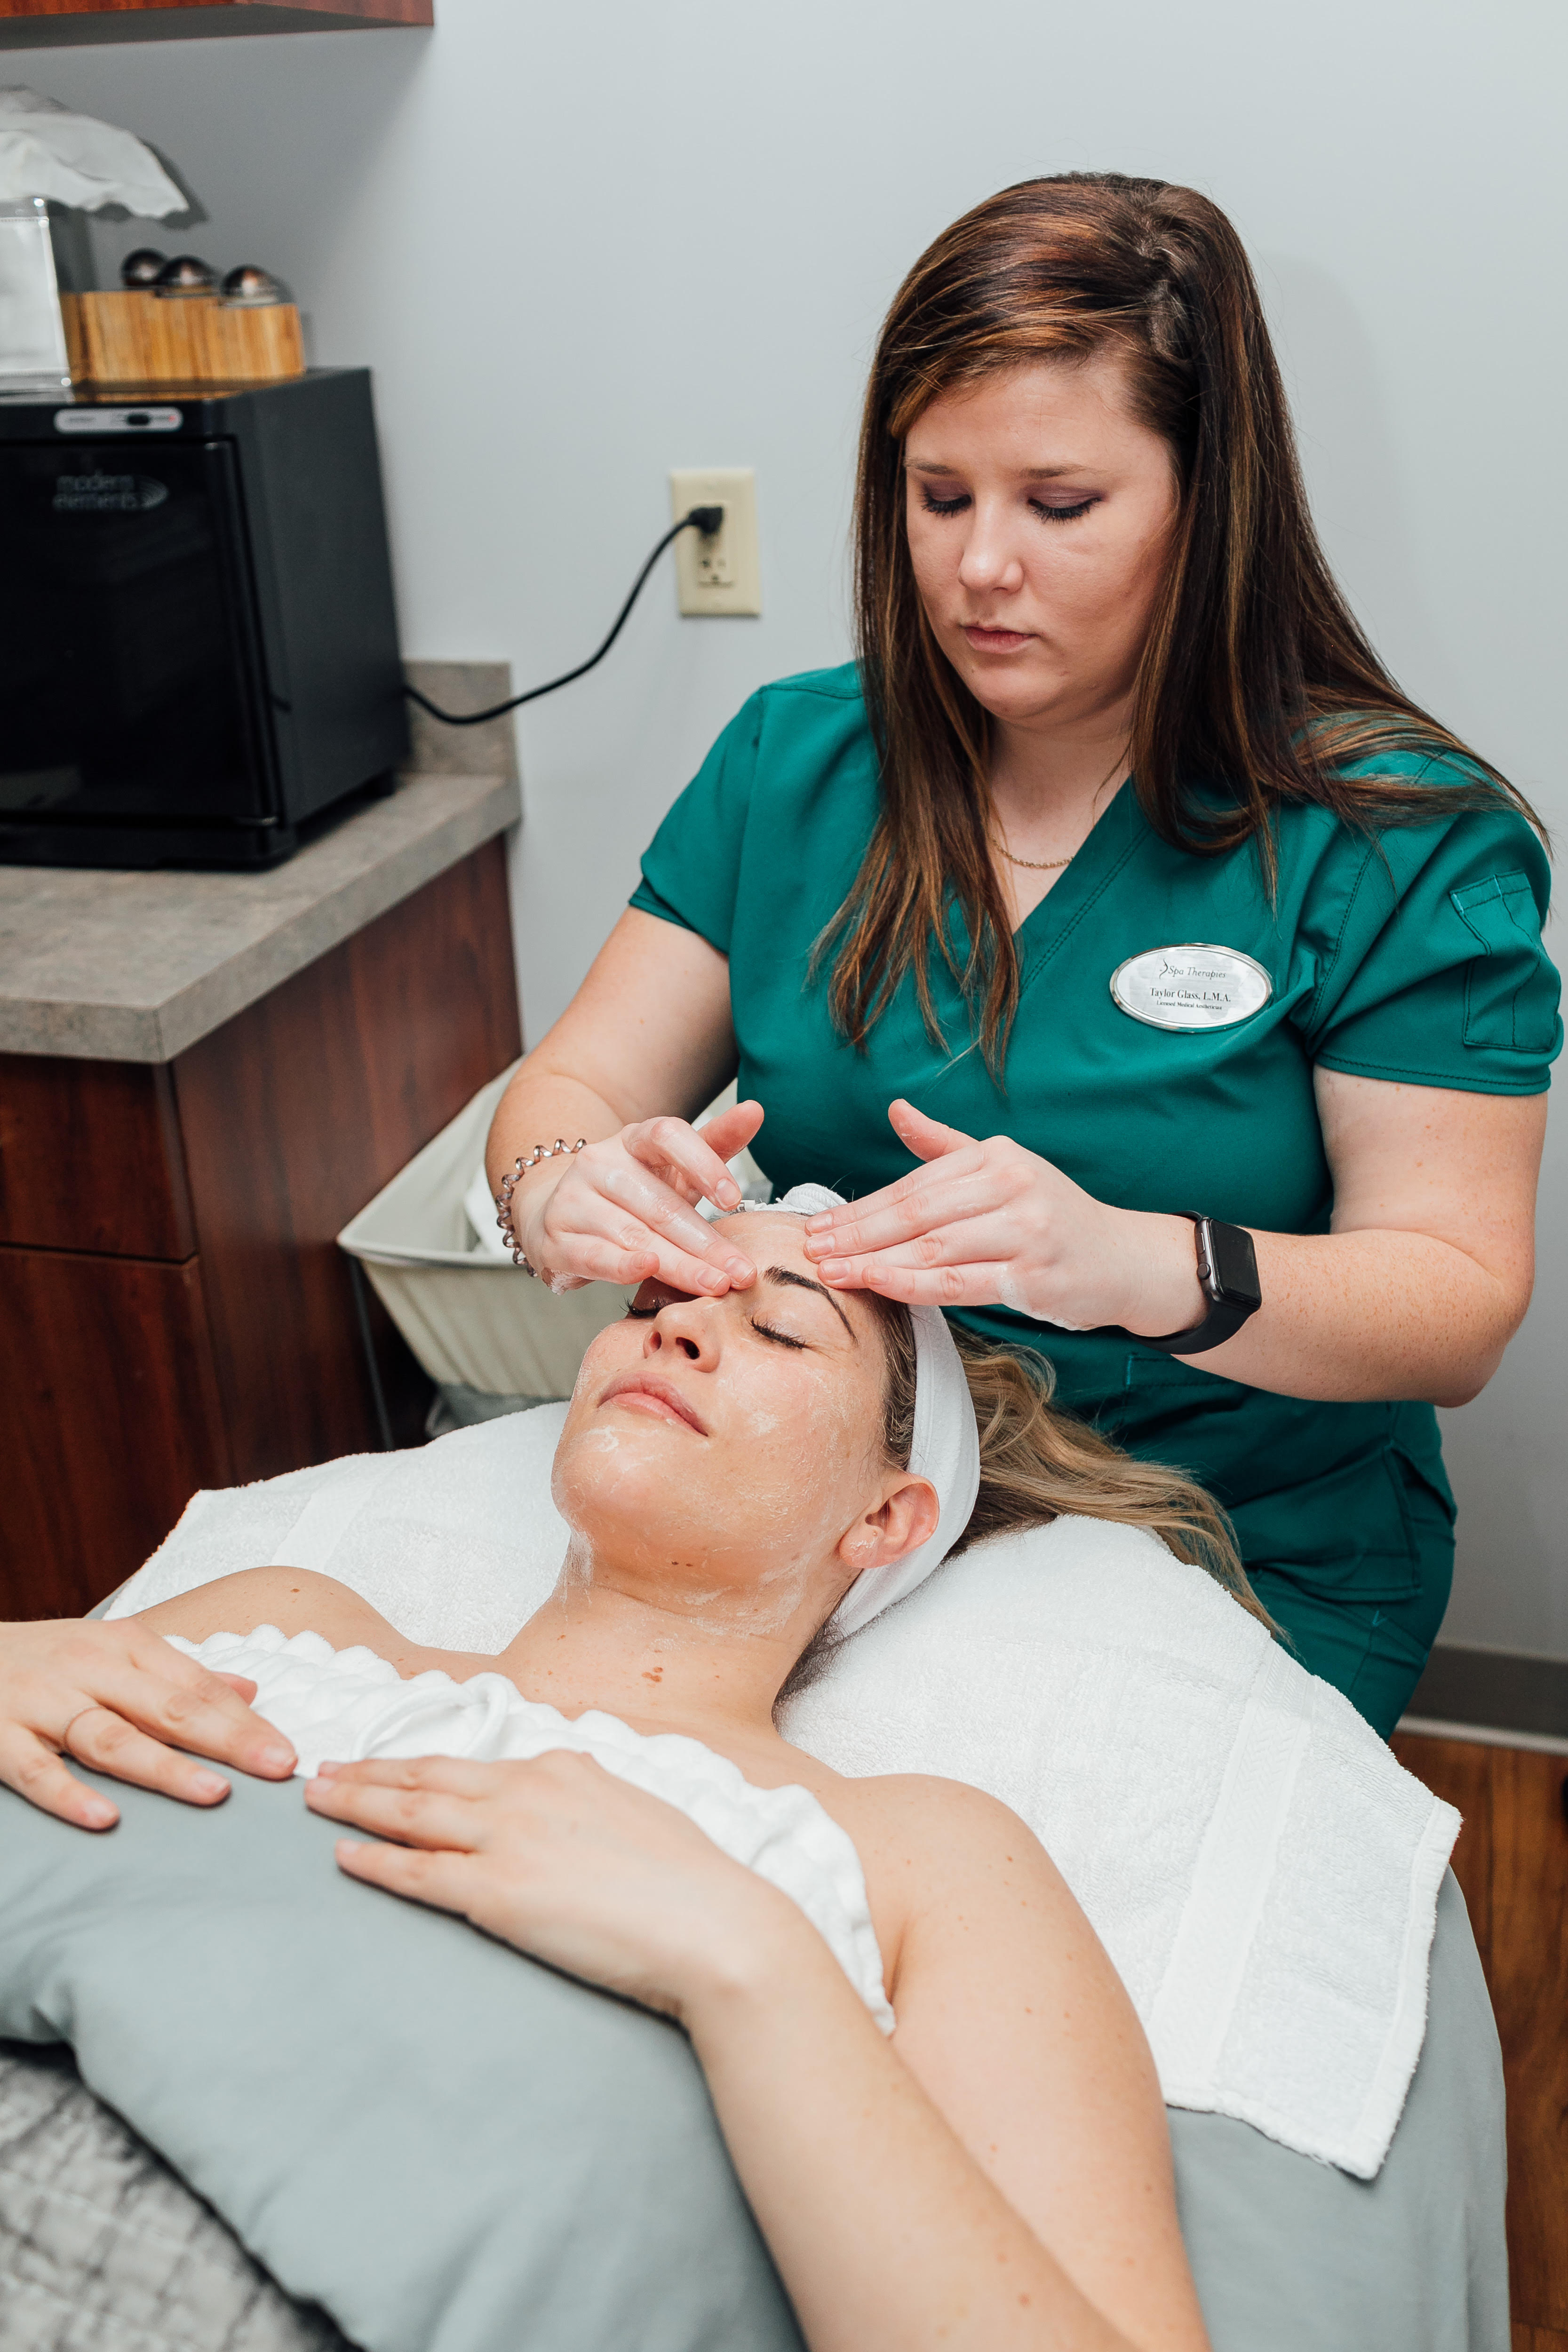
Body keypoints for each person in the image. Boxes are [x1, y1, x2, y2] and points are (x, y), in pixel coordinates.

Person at [483, 171, 1559, 1737]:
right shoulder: (797, 763)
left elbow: (1455, 1305)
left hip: (1224, 1539)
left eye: (1060, 506)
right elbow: (570, 1083)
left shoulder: (1400, 839)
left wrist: (1128, 1264)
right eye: (938, 497)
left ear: (1208, 502)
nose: (980, 567)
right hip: (815, 1517)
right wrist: (560, 1186)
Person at [0, 1206, 1249, 2352]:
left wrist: (747, 1964)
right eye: (654, 1305)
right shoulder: (286, 1616)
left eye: (776, 1327)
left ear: (887, 1519)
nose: (685, 1327)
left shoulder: (922, 1857)